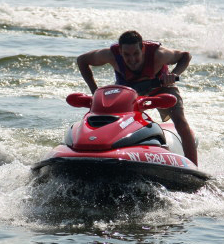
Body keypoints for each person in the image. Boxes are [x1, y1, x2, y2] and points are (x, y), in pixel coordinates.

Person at [76, 30, 198, 166]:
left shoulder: (159, 54)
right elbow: (82, 60)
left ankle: (193, 165)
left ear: (143, 50)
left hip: (162, 87)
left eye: (136, 54)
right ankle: (104, 151)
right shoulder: (110, 55)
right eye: (127, 55)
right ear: (120, 52)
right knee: (113, 119)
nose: (132, 59)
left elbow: (186, 56)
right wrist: (94, 91)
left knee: (180, 121)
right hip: (129, 89)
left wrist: (173, 75)